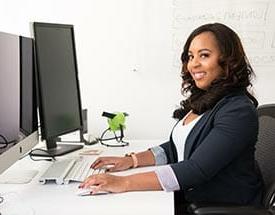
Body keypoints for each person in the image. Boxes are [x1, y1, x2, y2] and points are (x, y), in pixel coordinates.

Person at [80, 23, 263, 213]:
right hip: (194, 198)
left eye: (204, 55)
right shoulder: (205, 100)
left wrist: (123, 182)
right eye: (190, 56)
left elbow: (195, 169)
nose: (194, 64)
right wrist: (132, 161)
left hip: (222, 206)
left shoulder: (237, 111)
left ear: (227, 61)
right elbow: (176, 147)